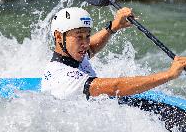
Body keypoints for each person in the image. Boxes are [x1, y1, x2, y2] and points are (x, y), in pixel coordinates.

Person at [41, 7, 186, 99]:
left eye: (87, 35)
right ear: (59, 36)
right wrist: (169, 74)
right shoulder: (62, 76)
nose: (85, 43)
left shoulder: (73, 55)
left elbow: (91, 47)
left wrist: (113, 27)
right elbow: (116, 87)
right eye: (79, 36)